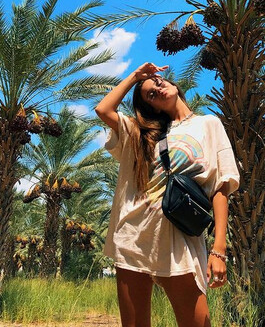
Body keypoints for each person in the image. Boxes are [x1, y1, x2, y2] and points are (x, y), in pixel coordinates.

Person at [95, 62, 241, 327]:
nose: (158, 88)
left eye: (158, 82)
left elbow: (221, 186)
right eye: (150, 94)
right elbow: (103, 110)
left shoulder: (208, 124)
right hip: (134, 237)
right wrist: (135, 77)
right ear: (152, 108)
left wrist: (219, 249)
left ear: (172, 84)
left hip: (180, 239)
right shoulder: (141, 133)